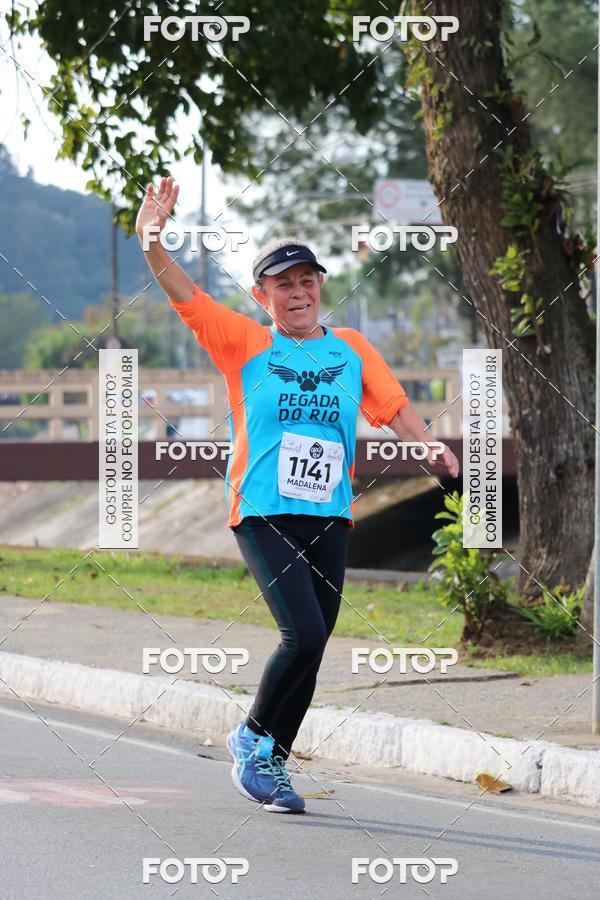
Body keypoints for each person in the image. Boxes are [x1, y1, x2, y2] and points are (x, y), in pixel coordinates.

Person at [136, 175, 459, 815]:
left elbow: (393, 406)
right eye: (283, 284)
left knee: (312, 652)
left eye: (306, 280)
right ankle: (251, 736)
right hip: (261, 513)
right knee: (303, 634)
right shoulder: (245, 342)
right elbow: (181, 291)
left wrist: (426, 446)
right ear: (263, 297)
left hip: (329, 516)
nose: (298, 291)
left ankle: (272, 766)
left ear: (320, 288)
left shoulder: (351, 351)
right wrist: (152, 236)